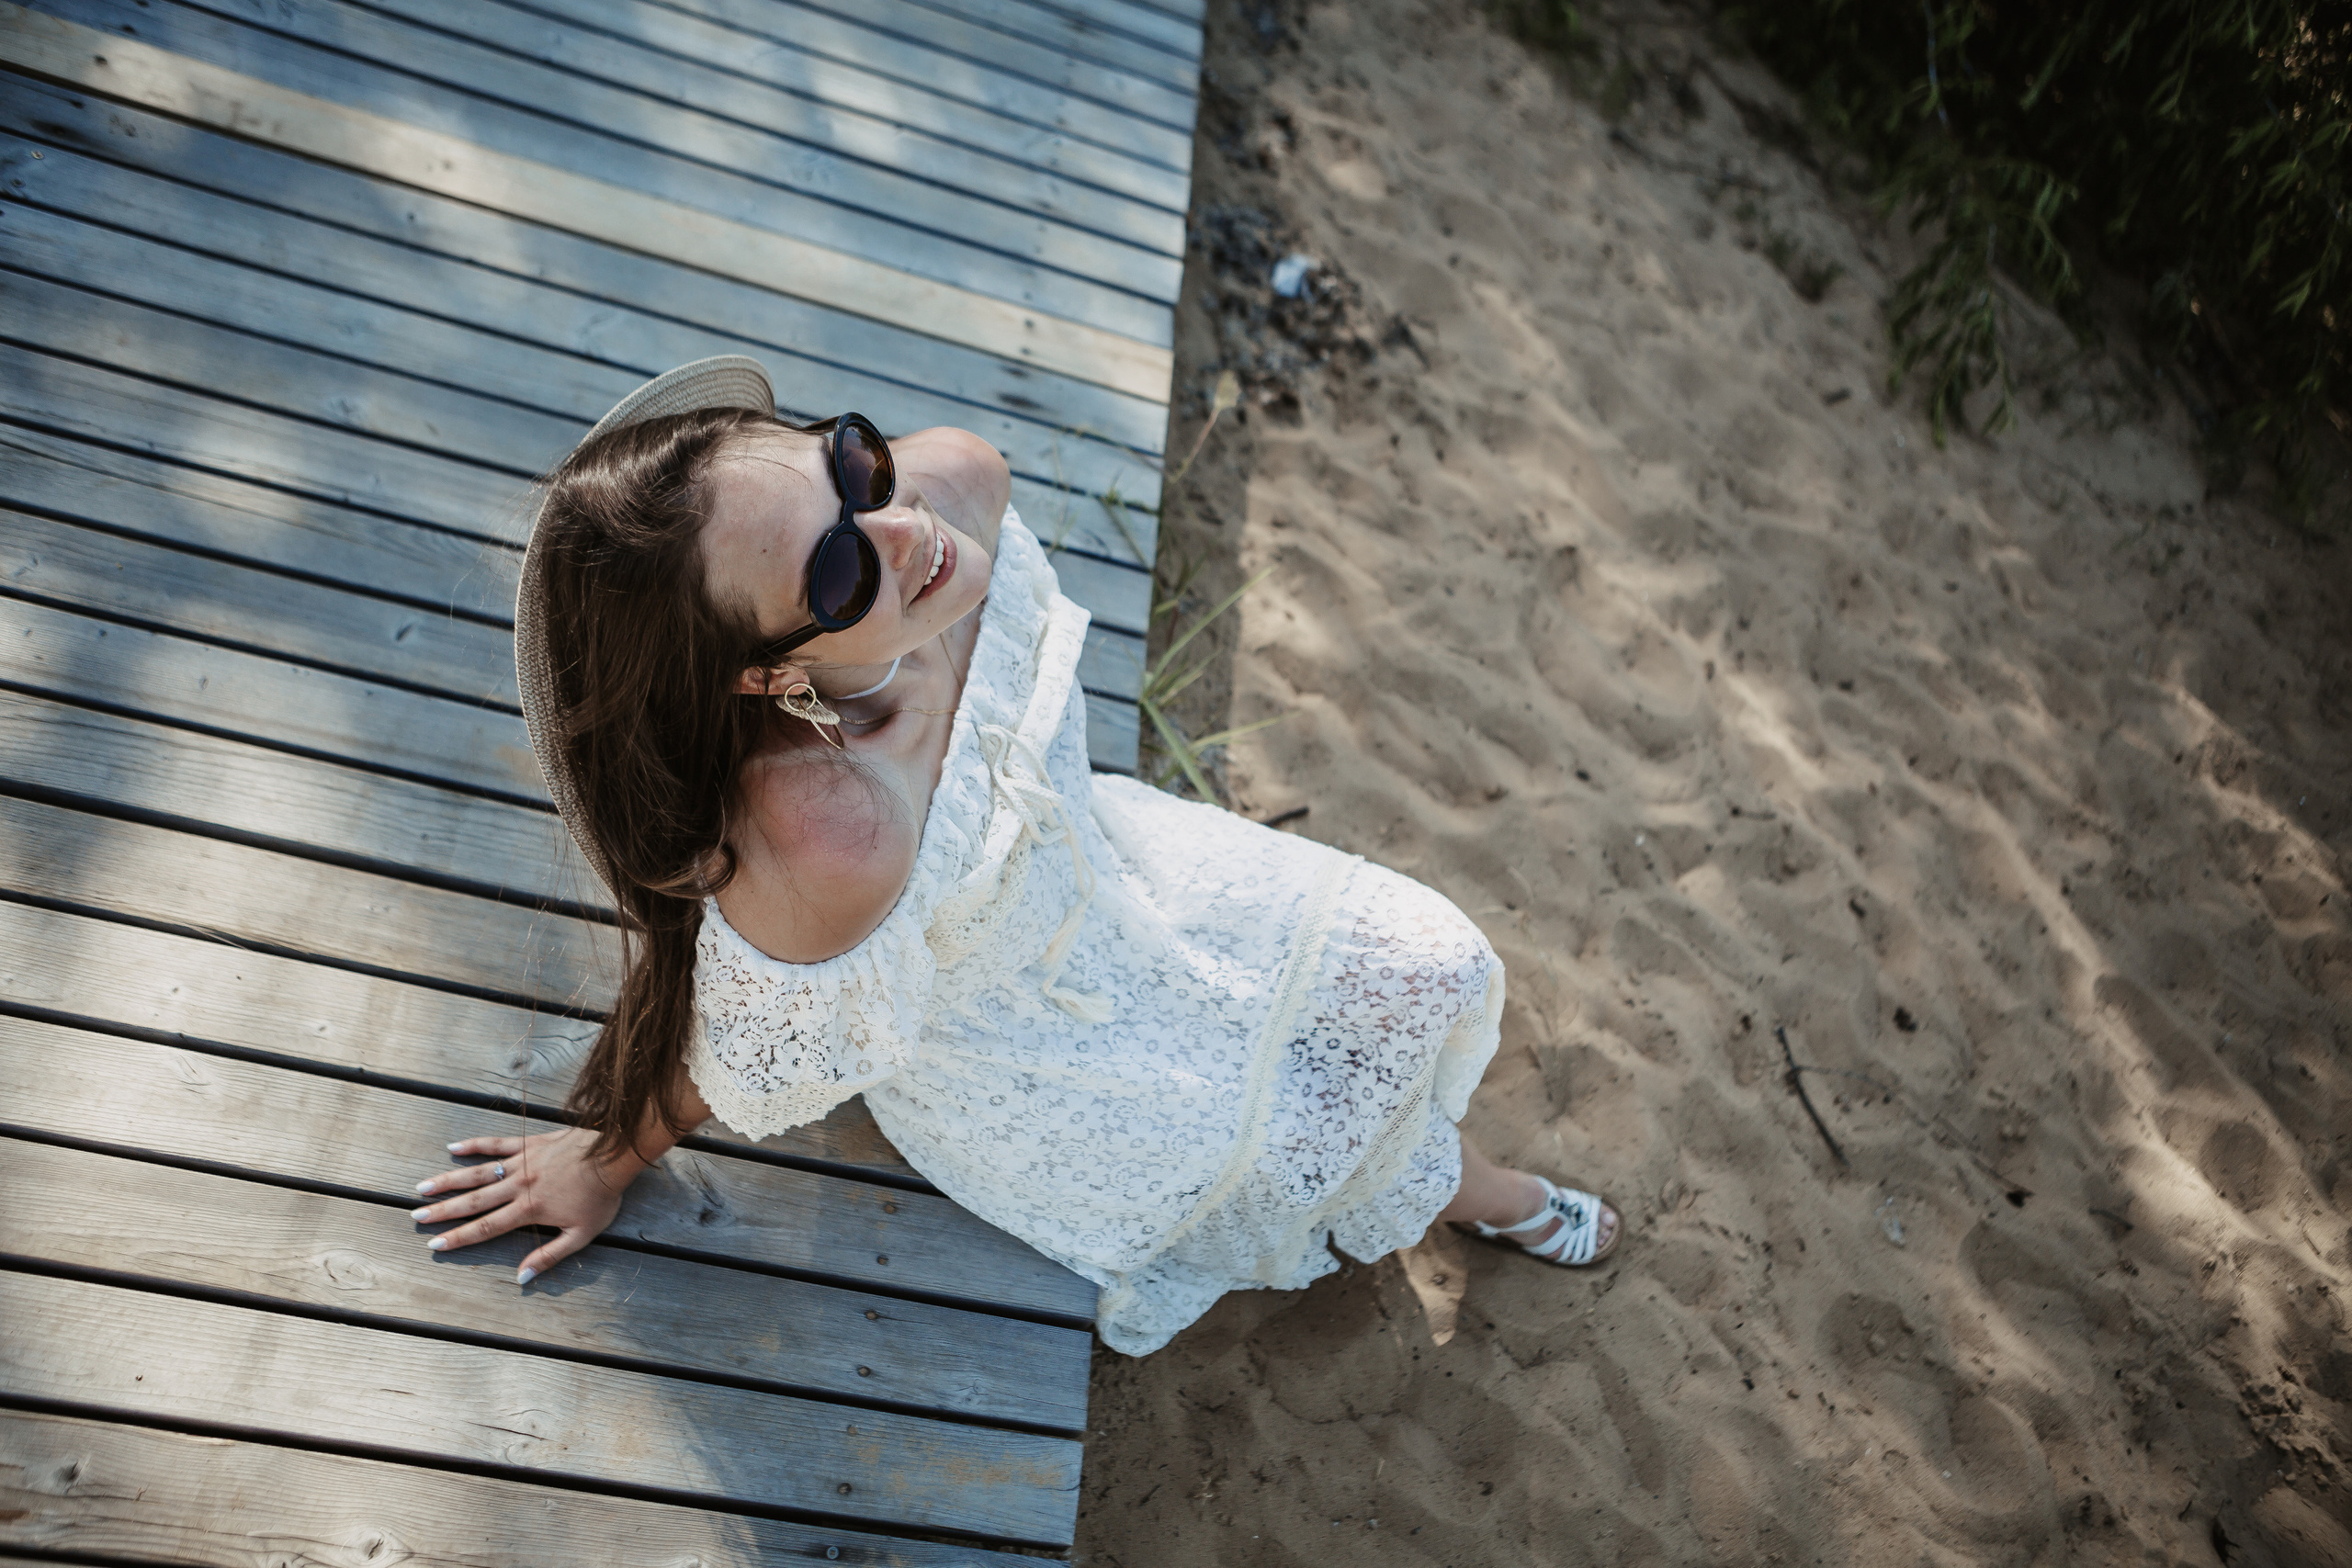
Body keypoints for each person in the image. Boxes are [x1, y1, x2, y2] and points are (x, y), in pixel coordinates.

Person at [412, 357, 1618, 1355]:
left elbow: (919, 503)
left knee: (1424, 966)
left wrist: (859, 530)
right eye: (836, 571)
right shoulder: (832, 830)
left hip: (1115, 868)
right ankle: (1491, 1197)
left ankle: (1465, 1183)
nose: (898, 527)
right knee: (1313, 1129)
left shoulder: (950, 485)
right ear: (766, 675)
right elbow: (734, 1043)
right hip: (1029, 1048)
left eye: (846, 463)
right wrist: (605, 1158)